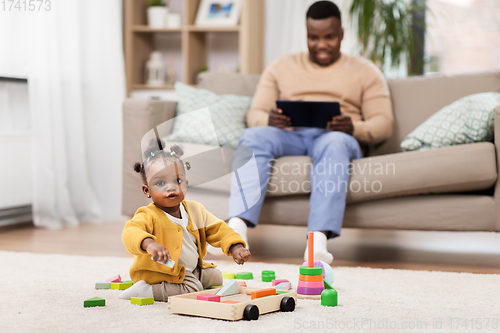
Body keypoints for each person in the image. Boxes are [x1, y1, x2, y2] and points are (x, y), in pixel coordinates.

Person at [209, 1, 393, 264]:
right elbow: (254, 114)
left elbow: (384, 123)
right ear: (306, 35)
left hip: (335, 136)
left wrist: (354, 127)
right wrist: (269, 119)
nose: (321, 45)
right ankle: (237, 228)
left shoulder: (366, 72)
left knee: (335, 144)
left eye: (329, 37)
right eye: (313, 38)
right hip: (290, 135)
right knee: (253, 136)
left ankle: (317, 241)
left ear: (341, 33)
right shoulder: (281, 67)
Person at [119, 139, 251, 302]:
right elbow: (130, 232)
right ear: (147, 191)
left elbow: (218, 229)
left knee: (216, 277)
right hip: (161, 272)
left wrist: (235, 246)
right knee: (192, 289)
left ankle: (189, 280)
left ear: (186, 184)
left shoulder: (195, 210)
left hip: (188, 269)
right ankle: (146, 290)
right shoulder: (147, 215)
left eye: (177, 181)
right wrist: (149, 244)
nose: (171, 187)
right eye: (160, 183)